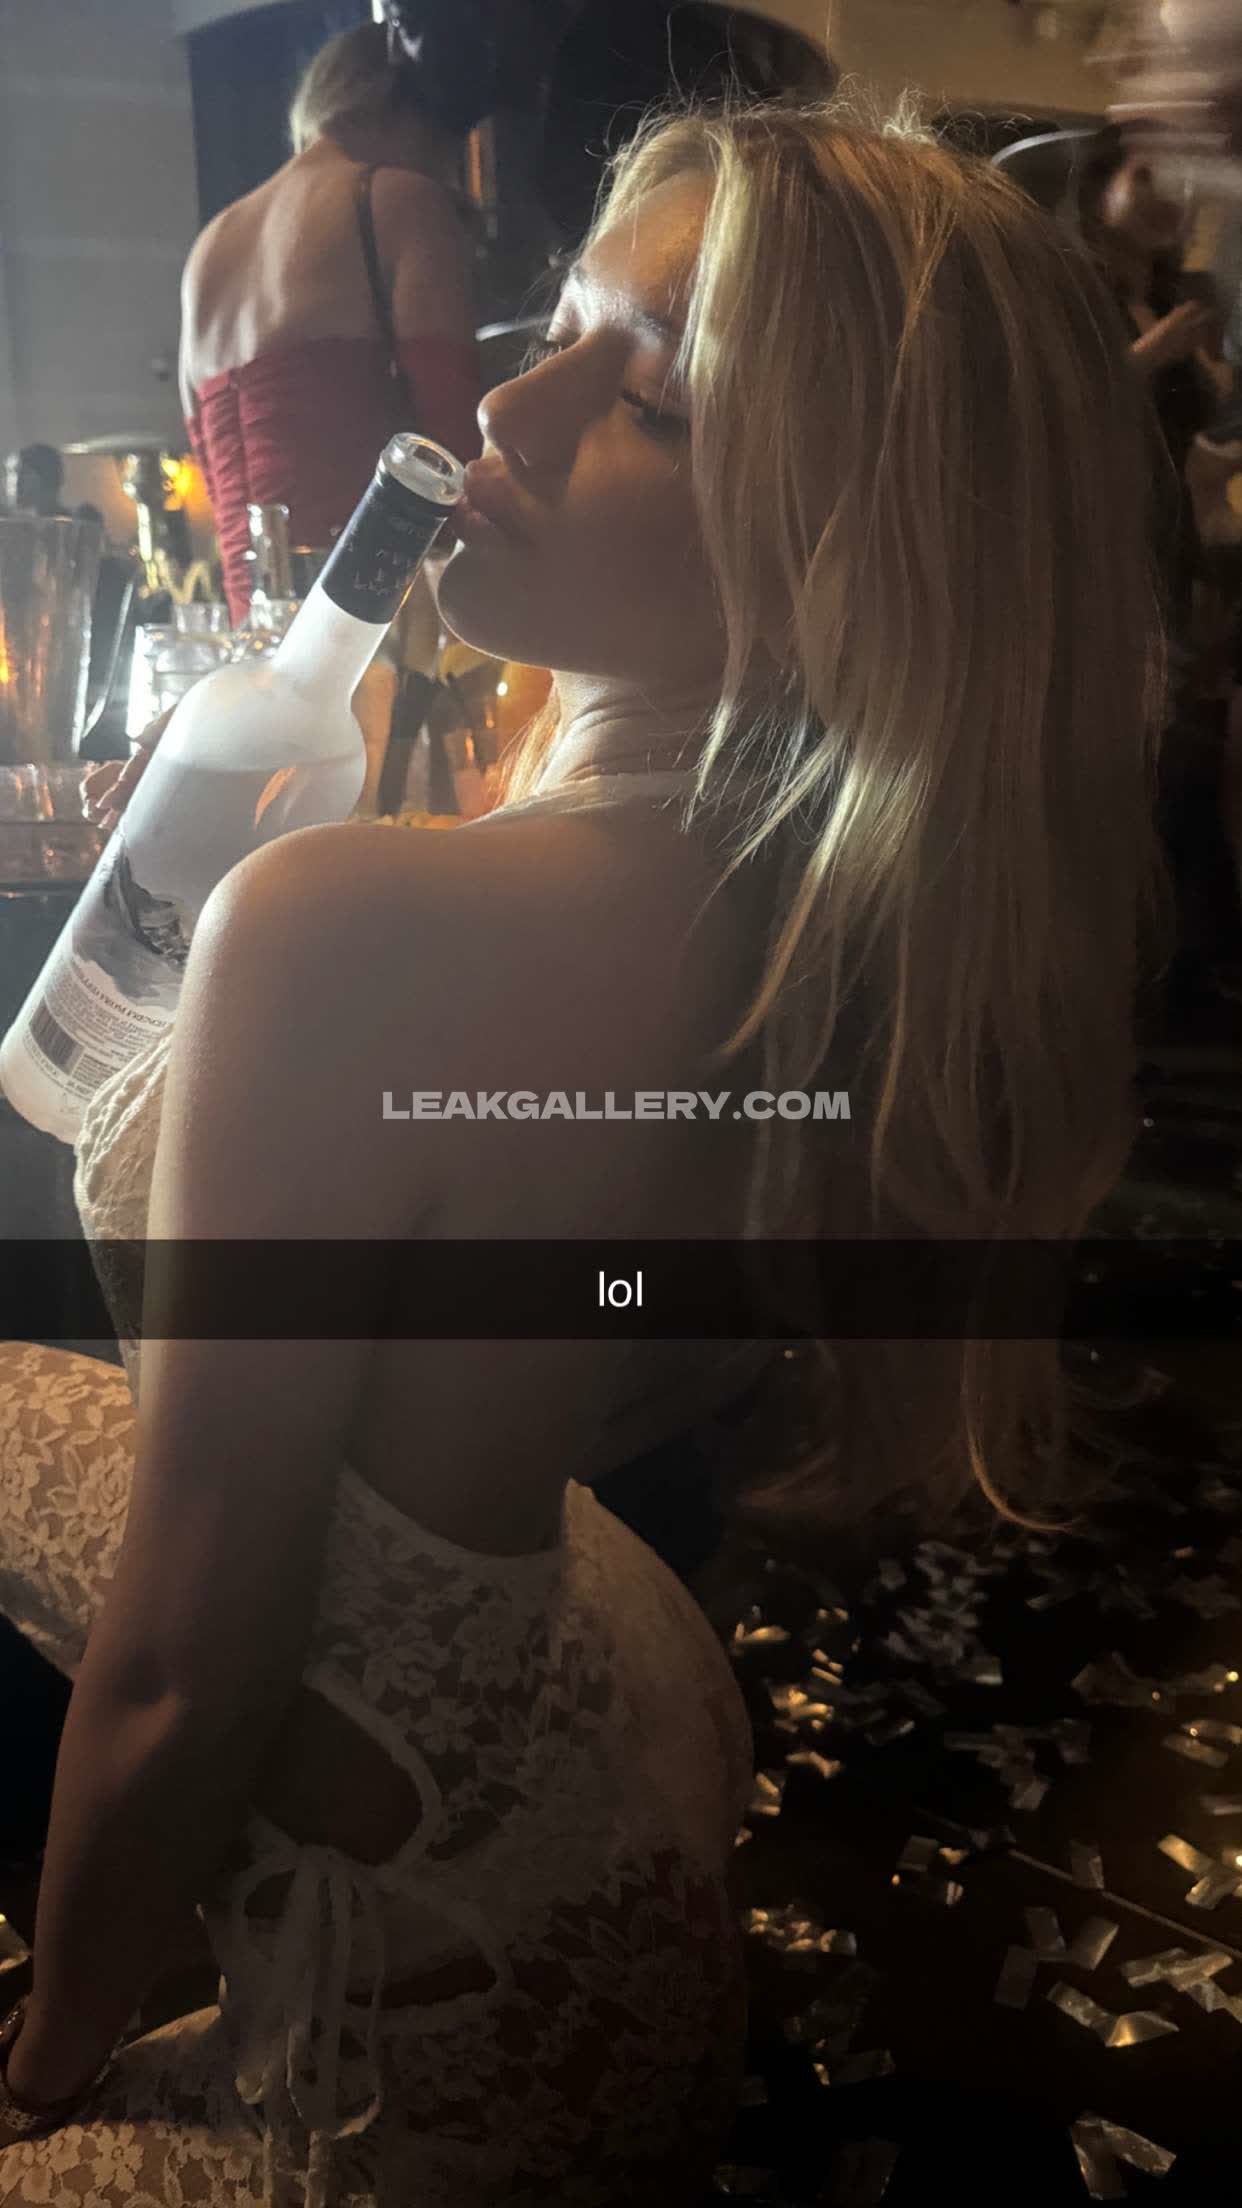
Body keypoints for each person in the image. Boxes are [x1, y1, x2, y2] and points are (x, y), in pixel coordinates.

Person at [0, 99, 1162, 2204]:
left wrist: (52, 2047)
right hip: (608, 1845)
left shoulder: (352, 928)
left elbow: (183, 1673)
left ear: (839, 548)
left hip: (413, 2046)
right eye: (556, 333)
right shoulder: (841, 918)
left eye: (651, 403)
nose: (503, 412)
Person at [179, 6, 486, 625]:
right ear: (402, 108)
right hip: (379, 627)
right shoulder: (395, 199)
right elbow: (456, 449)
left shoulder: (208, 248)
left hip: (252, 634)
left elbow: (213, 478)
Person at [4, 444, 70, 519]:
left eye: (25, 473)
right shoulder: (8, 522)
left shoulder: (73, 523)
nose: (14, 482)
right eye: (10, 472)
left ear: (47, 477)